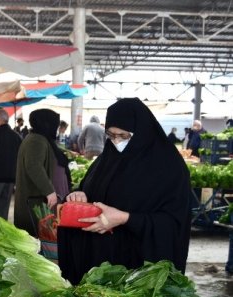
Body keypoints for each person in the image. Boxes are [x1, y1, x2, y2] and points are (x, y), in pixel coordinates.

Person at [58, 98, 191, 285]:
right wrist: (79, 196)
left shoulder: (169, 167)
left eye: (124, 136)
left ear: (142, 132)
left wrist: (125, 218)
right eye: (111, 135)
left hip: (136, 270)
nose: (117, 141)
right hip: (99, 264)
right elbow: (90, 189)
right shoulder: (107, 159)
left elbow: (173, 223)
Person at [13, 109, 60, 237]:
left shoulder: (35, 137)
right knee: (32, 237)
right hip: (33, 200)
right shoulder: (37, 140)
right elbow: (34, 166)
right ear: (47, 124)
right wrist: (49, 191)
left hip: (32, 198)